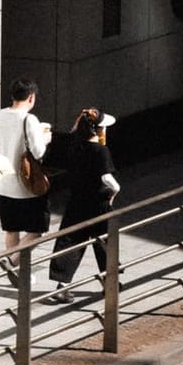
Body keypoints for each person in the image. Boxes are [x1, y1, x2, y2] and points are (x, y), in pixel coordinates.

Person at [48, 108, 121, 304]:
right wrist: (115, 191)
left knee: (71, 241)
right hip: (98, 203)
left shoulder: (75, 146)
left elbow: (72, 133)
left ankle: (61, 285)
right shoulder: (101, 151)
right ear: (99, 130)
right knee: (105, 242)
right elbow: (107, 178)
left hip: (77, 201)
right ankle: (110, 282)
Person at [0, 77, 51, 286]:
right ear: (31, 97)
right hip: (26, 186)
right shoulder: (29, 120)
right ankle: (11, 260)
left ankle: (17, 273)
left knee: (11, 229)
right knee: (37, 229)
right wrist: (45, 137)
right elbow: (38, 151)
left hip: (4, 184)